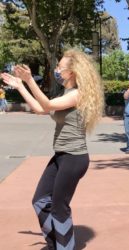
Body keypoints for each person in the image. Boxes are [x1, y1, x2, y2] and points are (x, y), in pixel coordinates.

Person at [0, 49, 104, 250]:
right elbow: (40, 109)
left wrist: (30, 80)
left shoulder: (77, 94)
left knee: (59, 208)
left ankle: (65, 247)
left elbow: (46, 105)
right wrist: (20, 85)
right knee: (39, 200)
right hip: (61, 156)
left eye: (60, 67)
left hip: (74, 158)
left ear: (72, 71)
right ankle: (56, 243)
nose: (56, 70)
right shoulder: (65, 92)